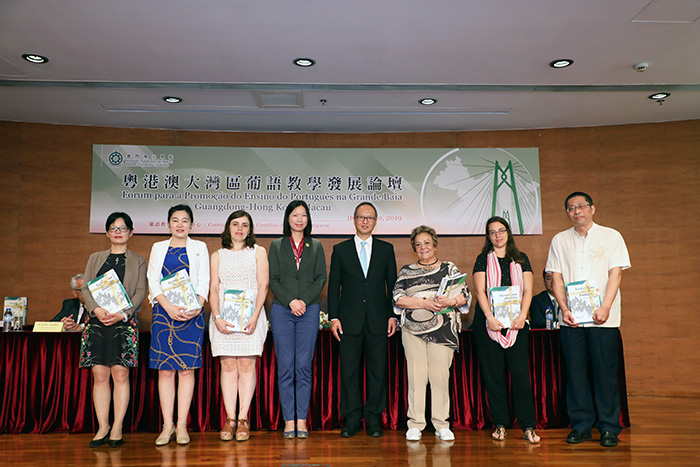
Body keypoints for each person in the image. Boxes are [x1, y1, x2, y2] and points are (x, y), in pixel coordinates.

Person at [545, 191, 630, 448]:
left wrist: (605, 307)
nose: (577, 211)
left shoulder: (611, 236)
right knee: (576, 373)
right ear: (567, 213)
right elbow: (556, 277)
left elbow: (615, 274)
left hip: (603, 318)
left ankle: (608, 427)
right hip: (572, 319)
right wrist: (563, 308)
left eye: (581, 206)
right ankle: (580, 426)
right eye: (571, 208)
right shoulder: (559, 240)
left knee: (605, 374)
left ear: (592, 208)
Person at [393, 225, 471, 441]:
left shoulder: (449, 268)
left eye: (427, 243)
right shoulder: (406, 271)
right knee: (416, 376)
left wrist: (451, 301)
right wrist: (424, 303)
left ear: (435, 246)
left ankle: (441, 424)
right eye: (418, 244)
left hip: (443, 330)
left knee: (439, 377)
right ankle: (415, 424)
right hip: (412, 331)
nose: (423, 247)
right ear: (414, 249)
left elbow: (465, 294)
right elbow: (397, 298)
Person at [328, 202, 397, 438]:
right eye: (361, 217)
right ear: (354, 219)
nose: (365, 221)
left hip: (379, 320)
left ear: (376, 221)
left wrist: (392, 315)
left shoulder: (386, 249)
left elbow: (392, 285)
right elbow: (334, 286)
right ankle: (351, 419)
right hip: (348, 321)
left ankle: (374, 419)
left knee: (377, 372)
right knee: (349, 372)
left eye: (370, 218)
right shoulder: (341, 249)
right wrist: (334, 317)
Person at [79, 212, 147, 448]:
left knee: (120, 375)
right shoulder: (95, 257)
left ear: (131, 232)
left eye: (123, 228)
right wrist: (96, 310)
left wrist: (123, 314)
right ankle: (103, 427)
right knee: (99, 376)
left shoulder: (138, 260)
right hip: (97, 322)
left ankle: (117, 426)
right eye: (114, 228)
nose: (118, 232)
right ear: (107, 233)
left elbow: (141, 291)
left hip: (124, 323)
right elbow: (86, 288)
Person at [472, 216, 541, 444]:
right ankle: (500, 424)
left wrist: (522, 316)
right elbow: (480, 291)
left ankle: (528, 426)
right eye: (492, 232)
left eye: (501, 230)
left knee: (521, 376)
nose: (497, 235)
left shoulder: (522, 259)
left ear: (508, 232)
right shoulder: (482, 259)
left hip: (517, 324)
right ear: (488, 236)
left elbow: (528, 291)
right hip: (489, 325)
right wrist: (489, 317)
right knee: (494, 377)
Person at [147, 205, 210, 446]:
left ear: (192, 225)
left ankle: (182, 424)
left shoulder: (200, 247)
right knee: (165, 370)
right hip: (164, 314)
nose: (180, 224)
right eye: (175, 220)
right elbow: (153, 280)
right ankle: (167, 425)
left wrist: (198, 306)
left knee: (186, 370)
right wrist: (168, 307)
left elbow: (204, 280)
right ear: (168, 224)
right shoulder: (158, 247)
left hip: (192, 314)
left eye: (185, 220)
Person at [268, 200, 327, 439]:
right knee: (285, 367)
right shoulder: (276, 245)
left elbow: (321, 278)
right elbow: (272, 280)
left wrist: (303, 301)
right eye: (295, 215)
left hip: (308, 310)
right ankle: (288, 420)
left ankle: (301, 420)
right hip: (282, 310)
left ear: (308, 219)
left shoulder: (316, 245)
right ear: (288, 218)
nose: (299, 219)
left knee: (303, 366)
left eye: (303, 215)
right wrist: (291, 301)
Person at [209, 210, 269, 442]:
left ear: (250, 229)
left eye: (245, 225)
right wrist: (217, 317)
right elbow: (214, 289)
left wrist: (255, 316)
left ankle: (243, 418)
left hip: (251, 316)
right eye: (235, 224)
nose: (240, 229)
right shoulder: (217, 255)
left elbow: (263, 286)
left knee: (246, 365)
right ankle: (230, 418)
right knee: (227, 366)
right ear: (228, 228)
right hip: (224, 316)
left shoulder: (258, 252)